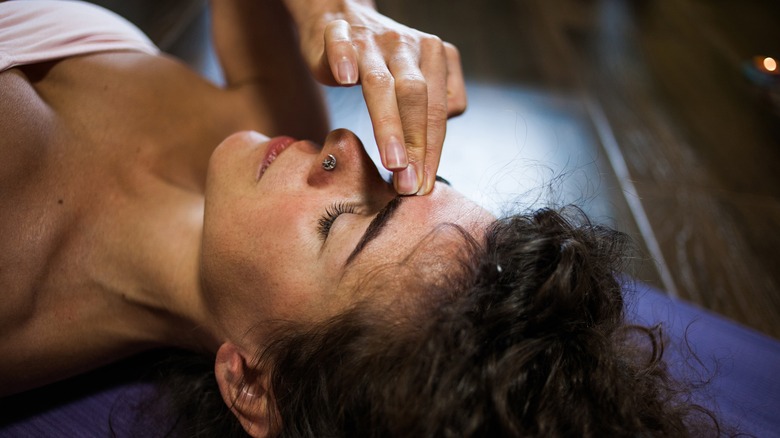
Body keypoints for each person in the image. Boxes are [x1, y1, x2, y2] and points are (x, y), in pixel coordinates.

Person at [0, 1, 721, 436]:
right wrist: (333, 16)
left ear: (251, 384)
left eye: (340, 224)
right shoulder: (274, 137)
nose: (345, 145)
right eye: (407, 181)